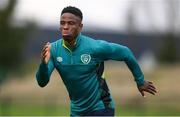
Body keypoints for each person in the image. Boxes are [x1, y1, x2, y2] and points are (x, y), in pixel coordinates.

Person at [36, 6, 157, 116]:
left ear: (80, 26)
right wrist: (43, 64)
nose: (65, 27)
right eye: (62, 23)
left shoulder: (94, 47)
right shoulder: (53, 50)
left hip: (101, 107)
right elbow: (42, 82)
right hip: (77, 111)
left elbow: (125, 52)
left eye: (71, 23)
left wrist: (140, 81)